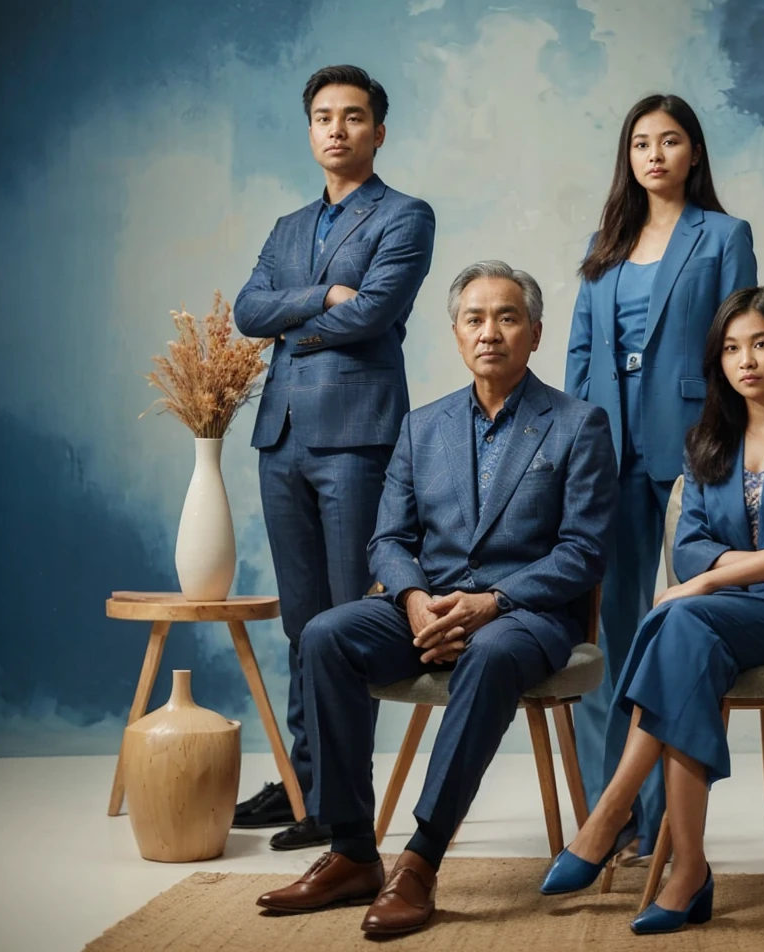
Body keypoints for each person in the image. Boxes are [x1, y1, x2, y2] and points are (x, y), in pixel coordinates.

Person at [255, 261, 618, 936]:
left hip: (527, 618)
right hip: (426, 607)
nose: (490, 332)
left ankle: (420, 860)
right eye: (475, 319)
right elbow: (388, 538)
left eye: (508, 317)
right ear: (455, 333)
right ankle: (352, 850)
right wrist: (417, 599)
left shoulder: (578, 425)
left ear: (535, 333)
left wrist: (491, 603)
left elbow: (583, 553)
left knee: (489, 656)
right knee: (325, 636)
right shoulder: (423, 427)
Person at [541, 286, 764, 935]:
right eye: (732, 348)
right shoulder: (707, 445)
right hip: (721, 621)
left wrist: (718, 577)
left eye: (763, 343)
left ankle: (610, 816)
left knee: (675, 616)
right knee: (680, 634)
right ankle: (689, 869)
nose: (747, 360)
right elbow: (687, 550)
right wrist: (745, 562)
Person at [233, 64, 436, 850]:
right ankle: (302, 784)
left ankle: (339, 807)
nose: (337, 130)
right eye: (324, 117)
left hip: (356, 437)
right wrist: (321, 299)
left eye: (353, 117)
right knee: (299, 622)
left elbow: (380, 311)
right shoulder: (287, 227)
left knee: (346, 624)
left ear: (378, 131)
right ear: (310, 130)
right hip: (281, 437)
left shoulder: (404, 215)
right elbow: (250, 311)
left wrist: (303, 323)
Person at [565, 93, 757, 856]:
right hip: (606, 452)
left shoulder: (723, 235)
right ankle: (608, 812)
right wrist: (574, 444)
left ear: (693, 153)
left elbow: (742, 338)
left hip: (693, 446)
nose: (654, 154)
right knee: (606, 631)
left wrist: (730, 437)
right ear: (629, 157)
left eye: (670, 140)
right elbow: (581, 355)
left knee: (681, 621)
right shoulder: (604, 243)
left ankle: (672, 817)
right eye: (641, 142)